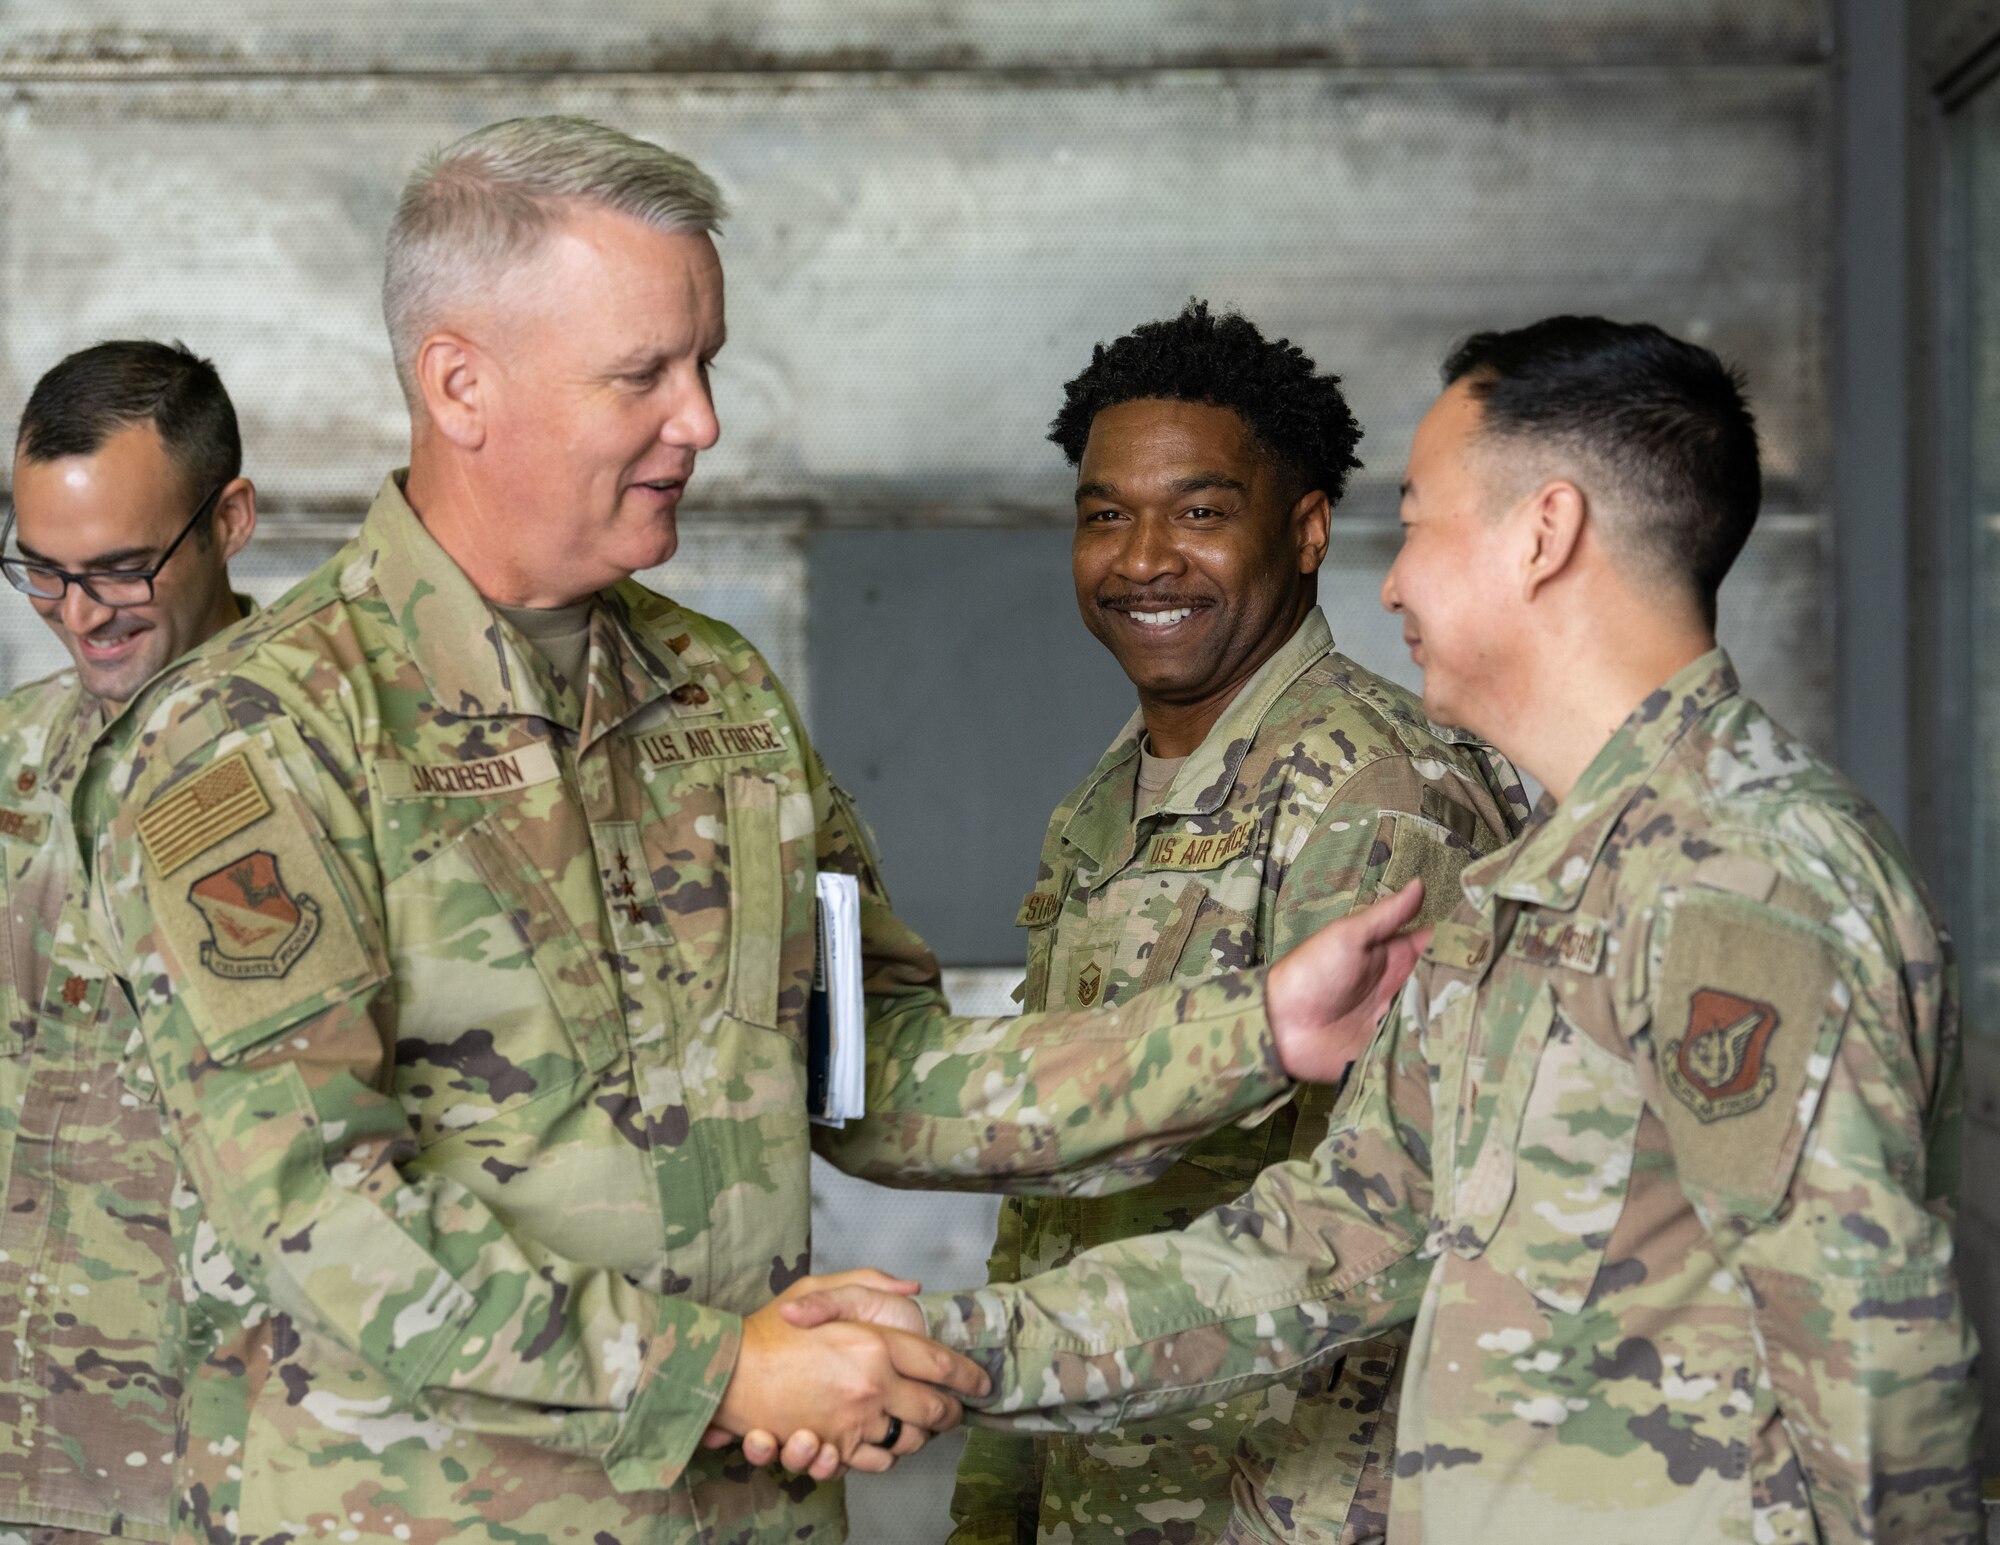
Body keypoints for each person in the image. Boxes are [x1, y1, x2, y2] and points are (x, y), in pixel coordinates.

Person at [75, 117, 1432, 1545]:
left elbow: (871, 1068)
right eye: (643, 374)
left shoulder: (716, 696)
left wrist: (1255, 1032)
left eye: (706, 361)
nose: (703, 420)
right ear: (461, 384)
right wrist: (725, 1373)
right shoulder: (259, 739)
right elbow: (323, 1213)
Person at [780, 316, 1979, 1543]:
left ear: (1544, 533)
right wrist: (952, 1343)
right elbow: (1334, 1237)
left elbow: (1874, 1370)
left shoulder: (1743, 878)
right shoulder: (1540, 894)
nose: (1392, 578)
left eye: (1415, 522)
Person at [938, 302, 1525, 1545]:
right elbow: (1048, 1206)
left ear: (1305, 530)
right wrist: (996, 1509)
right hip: (1093, 1474)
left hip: (1281, 1503)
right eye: (1106, 515)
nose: (1143, 558)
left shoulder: (1381, 797)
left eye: (1199, 512)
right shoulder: (1105, 803)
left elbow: (1403, 1216)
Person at [0, 340, 259, 1542]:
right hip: (31, 1464)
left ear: (230, 520)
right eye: (41, 575)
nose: (78, 615)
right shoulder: (10, 758)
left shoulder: (340, 760)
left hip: (251, 1468)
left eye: (117, 569)